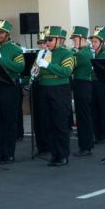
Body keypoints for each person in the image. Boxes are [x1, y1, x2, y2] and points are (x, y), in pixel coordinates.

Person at [37, 26, 74, 166]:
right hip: (44, 89)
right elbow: (38, 71)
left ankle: (63, 155)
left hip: (59, 90)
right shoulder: (45, 53)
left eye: (50, 39)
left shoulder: (66, 53)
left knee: (60, 124)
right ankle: (54, 153)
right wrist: (36, 70)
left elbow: (66, 71)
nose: (47, 43)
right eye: (46, 40)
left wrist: (47, 65)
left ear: (59, 40)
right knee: (48, 123)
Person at [0, 19, 25, 164]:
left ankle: (9, 153)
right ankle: (1, 152)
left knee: (9, 121)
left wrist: (1, 58)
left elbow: (19, 68)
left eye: (1, 32)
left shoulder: (15, 49)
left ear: (7, 34)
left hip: (10, 88)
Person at [70, 26, 94, 156]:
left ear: (82, 39)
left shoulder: (83, 54)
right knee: (83, 115)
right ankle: (86, 145)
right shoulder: (84, 52)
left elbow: (70, 66)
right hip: (81, 84)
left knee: (83, 116)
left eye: (75, 39)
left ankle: (85, 146)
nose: (73, 42)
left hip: (82, 85)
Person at [89, 26, 105, 146]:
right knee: (94, 110)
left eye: (95, 42)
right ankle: (97, 134)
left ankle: (103, 135)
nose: (93, 44)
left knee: (103, 110)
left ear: (101, 43)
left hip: (102, 85)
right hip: (92, 84)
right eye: (92, 41)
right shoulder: (92, 54)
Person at [31, 31, 49, 155]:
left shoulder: (50, 54)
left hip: (45, 86)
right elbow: (34, 69)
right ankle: (40, 145)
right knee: (37, 118)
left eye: (44, 43)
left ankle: (47, 145)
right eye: (40, 43)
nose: (42, 45)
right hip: (36, 86)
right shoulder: (39, 54)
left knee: (45, 117)